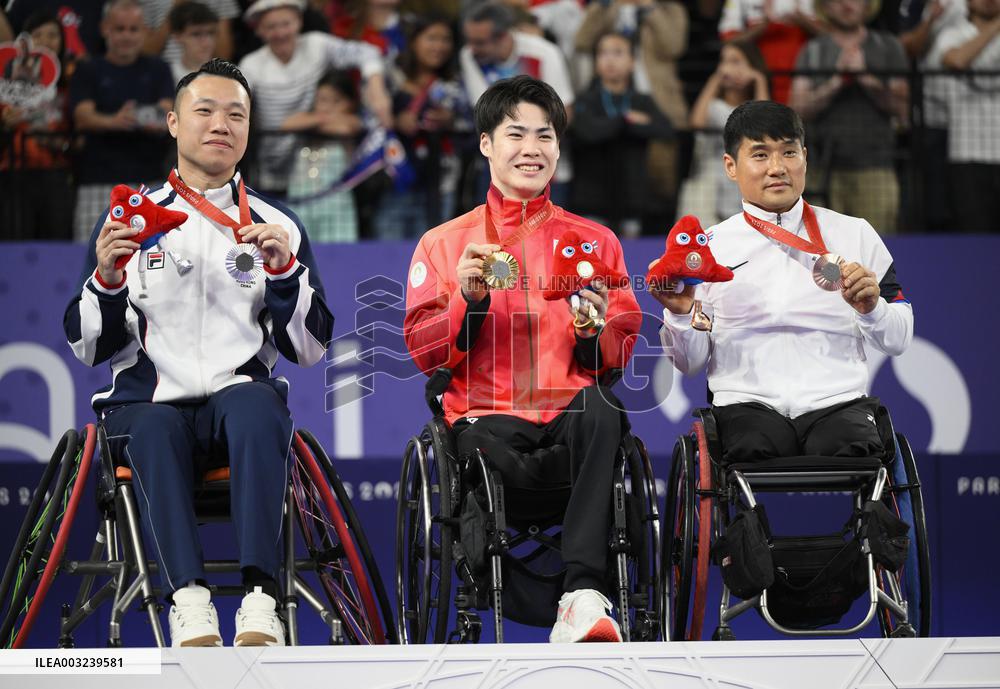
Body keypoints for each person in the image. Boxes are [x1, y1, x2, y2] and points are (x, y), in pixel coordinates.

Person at [63, 58, 334, 647]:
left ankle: (261, 599)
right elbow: (88, 347)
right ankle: (188, 599)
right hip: (148, 403)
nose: (221, 124)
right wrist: (107, 277)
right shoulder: (129, 220)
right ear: (172, 123)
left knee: (260, 409)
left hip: (237, 400)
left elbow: (310, 350)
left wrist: (286, 270)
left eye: (236, 114)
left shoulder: (276, 223)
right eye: (204, 111)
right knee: (156, 427)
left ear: (248, 129)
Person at [404, 75, 642, 643]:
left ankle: (583, 595)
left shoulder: (595, 242)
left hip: (570, 422)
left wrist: (595, 326)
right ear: (486, 143)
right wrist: (468, 298)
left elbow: (618, 353)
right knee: (490, 446)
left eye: (545, 136)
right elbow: (424, 350)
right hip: (487, 426)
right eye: (516, 134)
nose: (531, 148)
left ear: (558, 148)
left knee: (604, 407)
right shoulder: (444, 244)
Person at [653, 100, 912, 464]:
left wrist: (873, 310)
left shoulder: (855, 234)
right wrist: (681, 315)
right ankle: (748, 525)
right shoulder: (708, 249)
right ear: (731, 166)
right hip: (746, 405)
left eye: (788, 152)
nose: (777, 168)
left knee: (857, 448)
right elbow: (690, 363)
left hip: (837, 403)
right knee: (752, 445)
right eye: (760, 155)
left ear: (804, 157)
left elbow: (899, 339)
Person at [238, 0, 391, 196]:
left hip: (314, 167)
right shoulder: (250, 65)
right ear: (258, 30)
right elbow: (241, 103)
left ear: (299, 21)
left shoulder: (317, 45)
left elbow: (368, 52)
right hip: (268, 168)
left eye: (286, 24)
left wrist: (377, 89)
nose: (281, 33)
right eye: (271, 27)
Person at [789, 0, 909, 235]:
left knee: (877, 248)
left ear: (868, 6)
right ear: (825, 6)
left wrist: (866, 78)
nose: (847, 4)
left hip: (876, 167)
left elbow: (903, 107)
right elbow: (796, 109)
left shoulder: (888, 46)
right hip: (821, 168)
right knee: (821, 254)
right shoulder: (813, 50)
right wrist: (835, 83)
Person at [70, 0, 174, 241]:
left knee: (152, 255)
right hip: (97, 182)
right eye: (119, 29)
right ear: (105, 29)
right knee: (91, 253)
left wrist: (148, 120)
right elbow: (82, 116)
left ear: (145, 31)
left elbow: (167, 111)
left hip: (149, 181)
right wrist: (117, 121)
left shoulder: (159, 69)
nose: (126, 36)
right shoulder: (88, 69)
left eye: (133, 29)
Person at [570, 30, 673, 237]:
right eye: (603, 53)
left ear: (632, 62)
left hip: (632, 199)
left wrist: (613, 125)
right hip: (592, 199)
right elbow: (586, 132)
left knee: (628, 262)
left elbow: (666, 129)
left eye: (618, 53)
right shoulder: (585, 99)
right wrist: (626, 120)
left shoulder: (642, 100)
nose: (610, 60)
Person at [681, 40, 770, 225]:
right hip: (710, 182)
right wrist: (714, 81)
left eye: (735, 61)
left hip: (745, 180)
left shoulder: (755, 106)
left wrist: (759, 80)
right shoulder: (714, 106)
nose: (726, 68)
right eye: (724, 61)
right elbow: (696, 121)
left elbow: (765, 127)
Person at [165, 1, 220, 85]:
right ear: (177, 36)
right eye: (196, 34)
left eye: (211, 33)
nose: (206, 42)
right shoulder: (166, 77)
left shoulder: (233, 76)